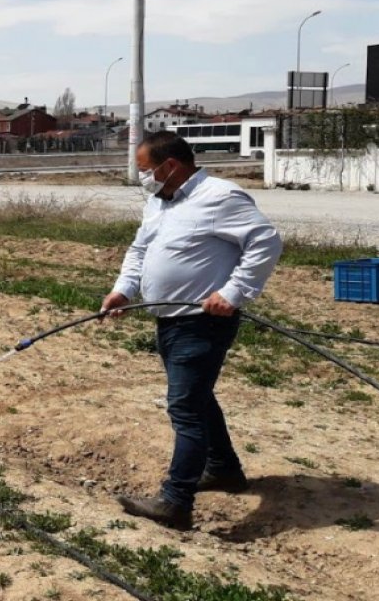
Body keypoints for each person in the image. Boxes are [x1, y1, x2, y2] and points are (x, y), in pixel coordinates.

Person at [101, 131, 283, 531]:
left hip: (202, 323)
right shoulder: (159, 201)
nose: (143, 177)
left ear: (170, 166)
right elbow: (140, 250)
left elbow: (266, 242)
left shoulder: (220, 196)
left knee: (185, 407)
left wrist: (233, 292)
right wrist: (124, 289)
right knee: (197, 398)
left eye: (146, 170)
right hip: (168, 320)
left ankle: (175, 500)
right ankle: (223, 470)